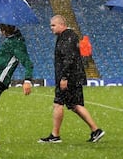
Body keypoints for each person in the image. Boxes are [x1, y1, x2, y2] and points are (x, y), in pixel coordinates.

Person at [38, 15, 105, 143]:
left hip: (69, 78)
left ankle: (55, 135)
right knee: (75, 105)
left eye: (53, 25)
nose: (51, 28)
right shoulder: (68, 36)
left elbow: (69, 59)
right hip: (74, 77)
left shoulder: (67, 37)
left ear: (62, 25)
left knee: (58, 104)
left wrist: (64, 77)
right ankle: (96, 130)